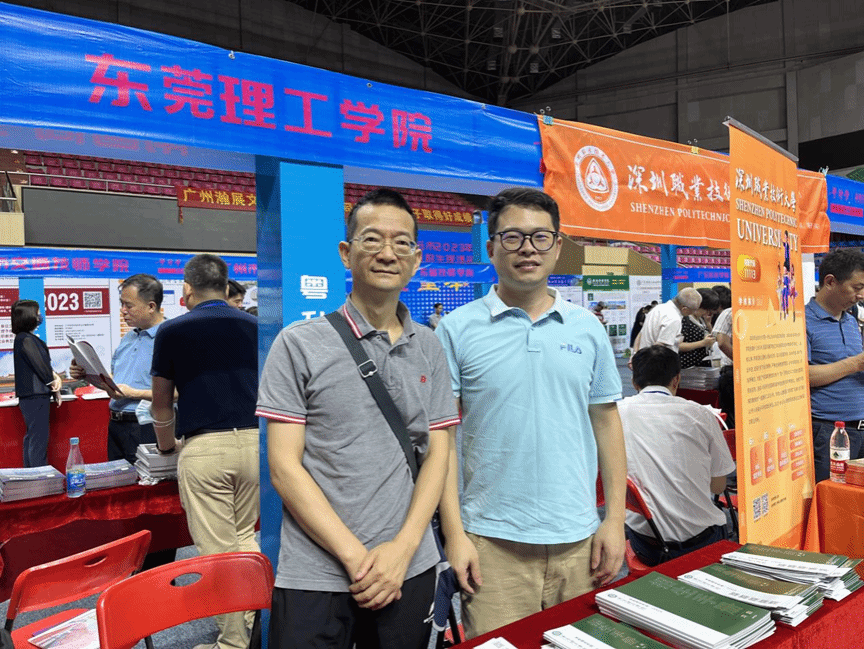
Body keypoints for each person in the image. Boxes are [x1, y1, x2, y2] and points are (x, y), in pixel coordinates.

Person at [257, 188, 458, 649]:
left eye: (401, 243)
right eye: (372, 239)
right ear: (346, 253)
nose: (387, 253)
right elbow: (284, 467)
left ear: (416, 259)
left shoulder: (429, 346)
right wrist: (356, 559)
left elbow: (438, 452)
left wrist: (404, 549)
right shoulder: (299, 343)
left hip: (409, 565)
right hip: (317, 572)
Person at [435, 187, 626, 639]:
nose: (527, 249)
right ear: (491, 247)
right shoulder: (456, 329)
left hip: (579, 541)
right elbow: (442, 438)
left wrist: (615, 521)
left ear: (557, 247)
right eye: (513, 237)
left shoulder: (587, 328)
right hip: (490, 544)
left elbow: (606, 423)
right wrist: (455, 535)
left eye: (541, 237)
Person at [150, 254, 259, 649]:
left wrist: (166, 446)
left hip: (205, 449)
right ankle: (254, 620)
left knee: (217, 552)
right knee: (245, 537)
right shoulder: (255, 325)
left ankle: (233, 642)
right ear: (226, 287)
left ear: (187, 289)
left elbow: (161, 403)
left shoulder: (172, 330)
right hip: (256, 443)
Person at [618, 345, 735, 566]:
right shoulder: (701, 415)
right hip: (702, 543)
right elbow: (718, 486)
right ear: (677, 380)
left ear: (634, 382)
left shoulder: (615, 414)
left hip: (647, 546)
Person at [70, 274, 165, 464]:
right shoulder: (128, 338)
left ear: (151, 306)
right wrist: (87, 375)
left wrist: (133, 393)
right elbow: (116, 381)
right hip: (116, 425)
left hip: (148, 426)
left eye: (129, 305)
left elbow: (178, 392)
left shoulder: (169, 337)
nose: (123, 310)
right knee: (118, 480)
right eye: (122, 304)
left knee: (146, 481)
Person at [806, 248, 864, 482]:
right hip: (830, 432)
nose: (861, 295)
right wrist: (855, 363)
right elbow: (801, 376)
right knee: (831, 497)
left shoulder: (850, 321)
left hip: (859, 427)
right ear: (830, 281)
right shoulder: (802, 321)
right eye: (857, 288)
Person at [12, 300, 62, 467]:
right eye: (37, 312)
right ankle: (39, 475)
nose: (40, 315)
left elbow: (42, 366)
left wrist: (54, 378)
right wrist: (53, 384)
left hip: (31, 396)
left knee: (33, 438)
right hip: (35, 395)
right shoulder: (26, 339)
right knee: (38, 440)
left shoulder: (24, 338)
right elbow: (40, 366)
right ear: (28, 315)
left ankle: (32, 474)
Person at [632, 287, 702, 353]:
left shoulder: (657, 308)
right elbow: (660, 347)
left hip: (643, 356)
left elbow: (641, 334)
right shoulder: (674, 318)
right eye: (694, 310)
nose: (694, 312)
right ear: (685, 309)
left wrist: (634, 354)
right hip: (656, 359)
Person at [678, 288, 719, 369]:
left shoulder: (700, 319)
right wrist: (703, 343)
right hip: (687, 367)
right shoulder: (684, 319)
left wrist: (708, 324)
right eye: (706, 310)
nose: (707, 313)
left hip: (700, 365)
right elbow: (678, 345)